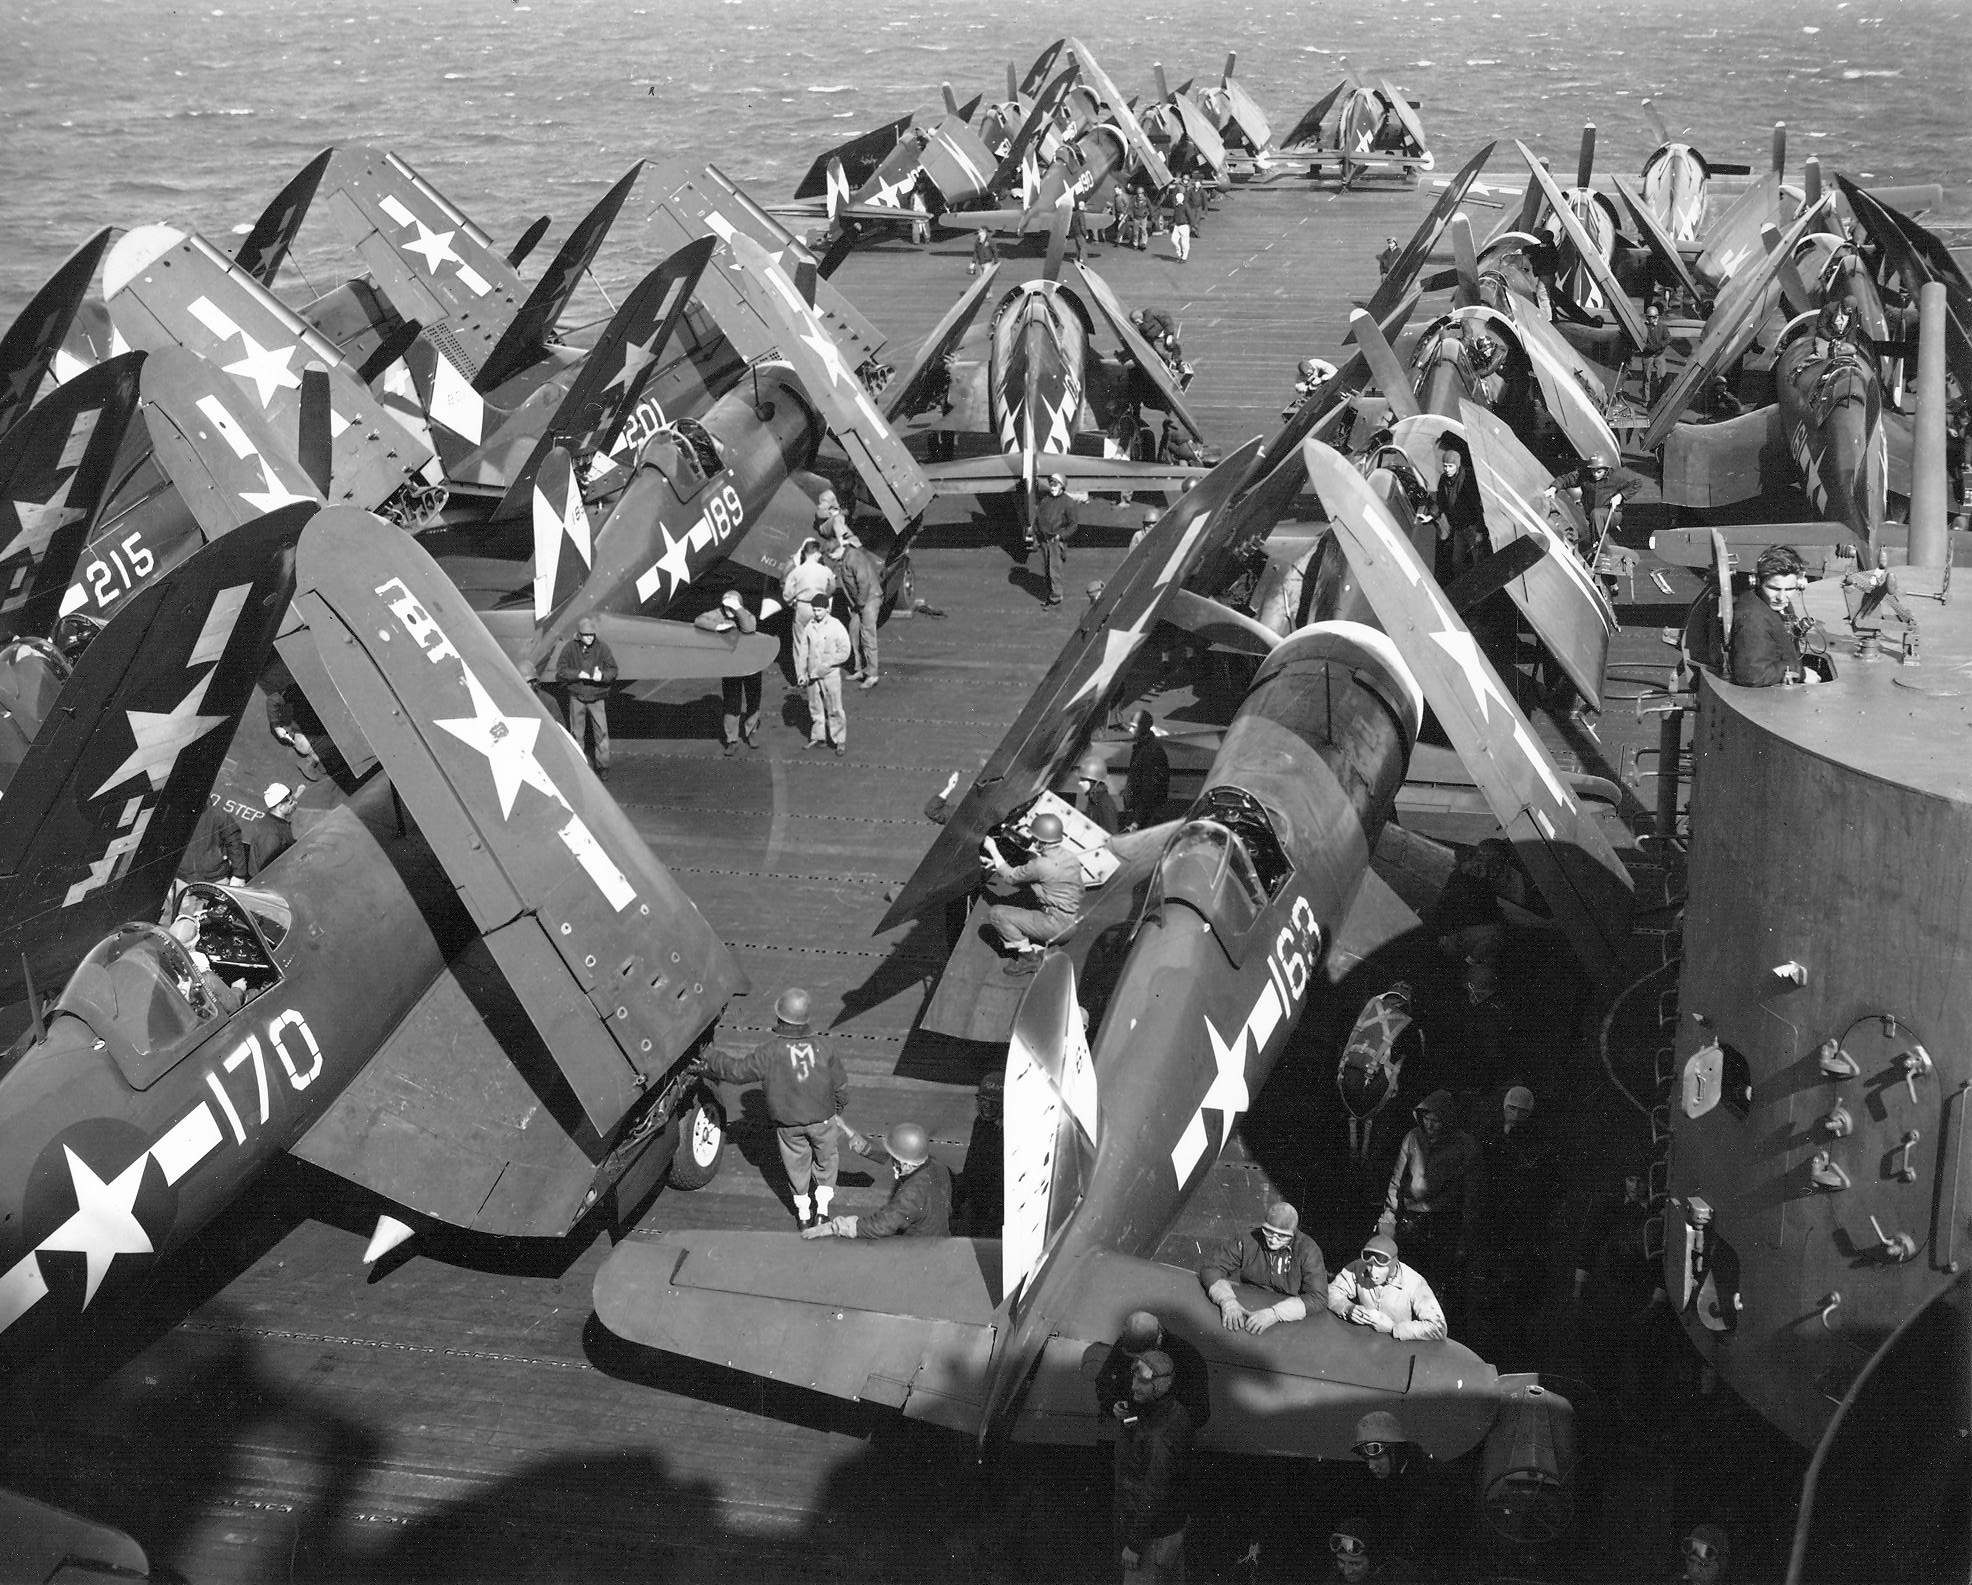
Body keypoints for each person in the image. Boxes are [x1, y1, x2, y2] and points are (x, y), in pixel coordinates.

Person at [698, 986, 853, 1229]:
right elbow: (841, 1086)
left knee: (796, 1167)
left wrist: (710, 1055)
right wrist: (836, 1110)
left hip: (789, 1126)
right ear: (806, 1017)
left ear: (780, 1017)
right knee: (827, 1162)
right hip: (824, 1122)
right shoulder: (825, 1047)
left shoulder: (769, 1052)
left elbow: (736, 1072)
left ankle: (803, 1215)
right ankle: (822, 1212)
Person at [1461, 1084, 1557, 1366]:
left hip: (1516, 1222)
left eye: (1522, 1111)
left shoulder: (1534, 1142)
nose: (1515, 1115)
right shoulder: (1490, 1133)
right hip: (1488, 1217)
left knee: (1510, 1290)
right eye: (1511, 1109)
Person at [1380, 1090, 1477, 1300]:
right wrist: (1388, 1215)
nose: (1430, 1125)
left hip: (1443, 1220)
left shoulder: (1464, 1145)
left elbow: (1470, 1191)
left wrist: (1465, 1233)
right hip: (1412, 1216)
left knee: (1433, 1279)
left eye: (1436, 1121)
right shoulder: (1413, 1137)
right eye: (1427, 1119)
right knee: (1405, 1272)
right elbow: (1397, 1179)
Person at [804, 1121, 953, 1239]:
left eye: (895, 1160)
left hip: (916, 1247)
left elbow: (880, 1226)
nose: (892, 1162)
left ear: (905, 1165)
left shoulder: (911, 1194)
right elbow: (890, 1154)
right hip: (939, 1237)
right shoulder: (937, 1167)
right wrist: (854, 1137)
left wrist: (835, 1227)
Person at [1198, 1201, 1327, 1334]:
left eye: (1282, 1236)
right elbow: (1212, 1268)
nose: (1273, 1240)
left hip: (1289, 1317)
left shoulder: (1308, 1250)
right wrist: (1227, 1301)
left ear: (1293, 1233)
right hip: (1249, 1303)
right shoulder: (1248, 1239)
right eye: (1269, 1232)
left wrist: (1275, 1314)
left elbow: (1318, 1297)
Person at [981, 811, 1084, 971]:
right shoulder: (1070, 857)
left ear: (1040, 841)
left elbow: (1010, 877)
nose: (1033, 841)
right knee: (1031, 889)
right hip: (1070, 923)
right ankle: (1041, 945)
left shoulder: (1040, 864)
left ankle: (1028, 959)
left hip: (1054, 926)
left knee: (996, 914)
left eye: (1035, 838)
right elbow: (1076, 889)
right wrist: (997, 864)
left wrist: (993, 850)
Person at [1336, 981, 1422, 1170]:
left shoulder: (1362, 1010)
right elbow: (1416, 1062)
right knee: (1375, 1150)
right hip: (1381, 1097)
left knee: (1343, 1143)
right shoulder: (1409, 1024)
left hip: (1345, 1086)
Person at [1088, 1310, 1212, 1429]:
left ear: (1158, 1340)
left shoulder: (1187, 1357)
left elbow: (1199, 1412)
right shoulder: (1126, 1345)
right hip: (1133, 1428)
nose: (1134, 1387)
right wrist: (1112, 1405)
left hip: (1167, 1435)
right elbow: (1104, 1380)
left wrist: (1157, 1421)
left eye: (1142, 1356)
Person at [1327, 1232, 1446, 1341]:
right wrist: (1348, 1308)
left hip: (1399, 1345)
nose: (1373, 1272)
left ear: (1392, 1266)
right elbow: (1330, 1291)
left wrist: (1394, 1328)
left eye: (1380, 1267)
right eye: (1370, 1265)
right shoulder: (1358, 1267)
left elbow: (1438, 1327)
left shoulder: (1414, 1282)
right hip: (1364, 1340)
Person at [692, 590, 764, 754]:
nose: (729, 610)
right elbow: (699, 620)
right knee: (731, 703)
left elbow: (749, 628)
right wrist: (718, 626)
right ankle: (732, 739)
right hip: (732, 666)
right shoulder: (719, 614)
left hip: (752, 663)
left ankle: (751, 732)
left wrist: (738, 610)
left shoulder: (746, 614)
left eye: (733, 605)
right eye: (727, 606)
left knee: (753, 700)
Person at [1729, 545, 1809, 687]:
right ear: (1757, 581)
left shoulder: (1774, 603)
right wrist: (1801, 674)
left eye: (1790, 589)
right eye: (1774, 588)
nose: (1781, 597)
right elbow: (1753, 675)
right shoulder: (1753, 619)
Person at [1549, 454, 1648, 557]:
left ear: (1606, 470)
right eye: (1593, 471)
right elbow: (1566, 479)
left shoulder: (1617, 476)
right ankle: (1586, 552)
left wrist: (1621, 495)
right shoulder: (1585, 475)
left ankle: (1603, 552)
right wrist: (1554, 488)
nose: (1595, 474)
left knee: (1596, 514)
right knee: (1582, 521)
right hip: (1590, 515)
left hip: (1612, 514)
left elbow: (1637, 482)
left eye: (1599, 472)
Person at [555, 616, 617, 779]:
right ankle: (579, 767)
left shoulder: (602, 648)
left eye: (592, 635)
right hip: (577, 696)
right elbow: (561, 670)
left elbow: (613, 670)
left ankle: (603, 766)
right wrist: (578, 674)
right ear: (579, 635)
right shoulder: (570, 648)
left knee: (601, 733)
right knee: (577, 734)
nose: (590, 638)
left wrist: (601, 676)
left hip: (597, 697)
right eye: (586, 635)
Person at [793, 599, 851, 754]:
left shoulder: (836, 625)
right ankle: (819, 737)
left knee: (835, 708)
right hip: (812, 675)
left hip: (830, 674)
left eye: (819, 610)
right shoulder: (809, 626)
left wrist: (828, 664)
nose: (816, 613)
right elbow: (803, 651)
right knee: (815, 706)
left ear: (827, 609)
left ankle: (839, 741)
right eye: (814, 610)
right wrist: (801, 673)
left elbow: (845, 651)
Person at [1431, 434, 1488, 586]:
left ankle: (1481, 588)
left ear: (1457, 465)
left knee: (1479, 562)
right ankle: (1463, 587)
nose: (1447, 469)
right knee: (1457, 562)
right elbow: (1441, 501)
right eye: (1445, 466)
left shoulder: (1467, 479)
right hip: (1458, 529)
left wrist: (1479, 531)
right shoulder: (1444, 480)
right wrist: (1431, 515)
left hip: (1472, 527)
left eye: (1450, 466)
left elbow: (1478, 506)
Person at [952, 1070, 1003, 1235]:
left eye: (994, 1103)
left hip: (996, 1202)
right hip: (977, 1193)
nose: (987, 1106)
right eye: (983, 1100)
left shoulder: (1011, 1131)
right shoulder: (981, 1122)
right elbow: (972, 1158)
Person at [180, 800, 247, 888]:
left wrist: (239, 875)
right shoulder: (176, 814)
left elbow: (235, 844)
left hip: (216, 880)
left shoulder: (218, 815)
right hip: (182, 880)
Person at [1034, 473, 1078, 604]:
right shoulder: (1046, 499)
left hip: (1055, 541)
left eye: (1055, 485)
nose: (1052, 487)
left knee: (1054, 570)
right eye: (1051, 485)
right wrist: (1036, 533)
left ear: (1062, 486)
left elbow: (1073, 525)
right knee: (1046, 568)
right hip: (1044, 540)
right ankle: (1051, 593)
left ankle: (1056, 596)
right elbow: (1038, 516)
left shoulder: (1068, 503)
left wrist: (1061, 536)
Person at [1123, 712, 1170, 831]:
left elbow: (1149, 790)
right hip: (1141, 814)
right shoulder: (1143, 748)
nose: (1130, 730)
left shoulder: (1151, 752)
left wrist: (1136, 821)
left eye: (1133, 727)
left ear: (1143, 727)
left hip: (1145, 818)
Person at [1058, 753, 1121, 833]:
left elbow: (1111, 835)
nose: (1080, 783)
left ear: (1094, 782)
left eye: (1083, 780)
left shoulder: (1105, 804)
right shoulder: (1094, 799)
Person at [247, 782, 299, 877]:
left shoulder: (277, 822)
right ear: (280, 807)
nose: (293, 805)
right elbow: (269, 867)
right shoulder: (270, 832)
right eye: (290, 803)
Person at [782, 537, 837, 615]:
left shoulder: (796, 571)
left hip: (802, 607)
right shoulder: (826, 570)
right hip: (818, 607)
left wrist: (792, 602)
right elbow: (832, 587)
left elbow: (787, 593)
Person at [1168, 185, 1194, 262]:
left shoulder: (1186, 205)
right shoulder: (1177, 206)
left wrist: (1192, 225)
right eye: (1177, 199)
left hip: (1184, 225)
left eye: (1178, 199)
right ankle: (1180, 253)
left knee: (1184, 242)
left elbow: (1190, 216)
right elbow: (1174, 215)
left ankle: (1184, 257)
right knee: (1174, 240)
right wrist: (1170, 223)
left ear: (1182, 199)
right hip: (1177, 225)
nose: (1177, 200)